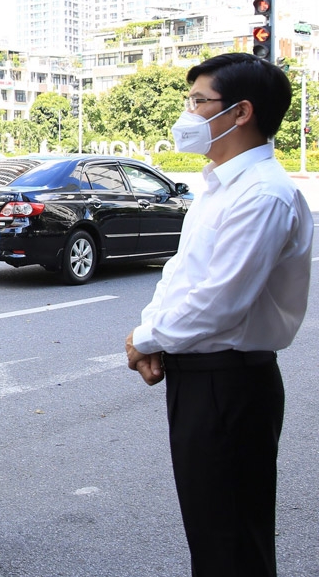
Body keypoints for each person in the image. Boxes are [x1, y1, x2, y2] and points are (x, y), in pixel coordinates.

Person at [125, 53, 313, 577]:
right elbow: (182, 275)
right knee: (211, 533)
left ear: (240, 113)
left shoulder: (263, 195)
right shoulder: (219, 187)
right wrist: (153, 335)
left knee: (232, 540)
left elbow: (220, 300)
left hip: (230, 384)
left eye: (198, 102)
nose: (188, 115)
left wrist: (145, 338)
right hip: (201, 377)